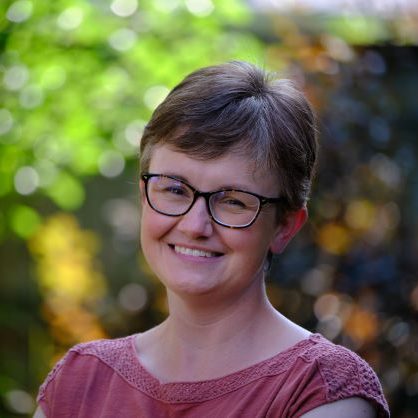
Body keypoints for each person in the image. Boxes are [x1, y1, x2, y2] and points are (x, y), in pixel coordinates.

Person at [34, 61, 389, 417]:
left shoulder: (322, 391)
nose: (194, 225)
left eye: (233, 200)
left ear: (285, 226)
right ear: (144, 196)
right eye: (174, 189)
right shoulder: (79, 384)